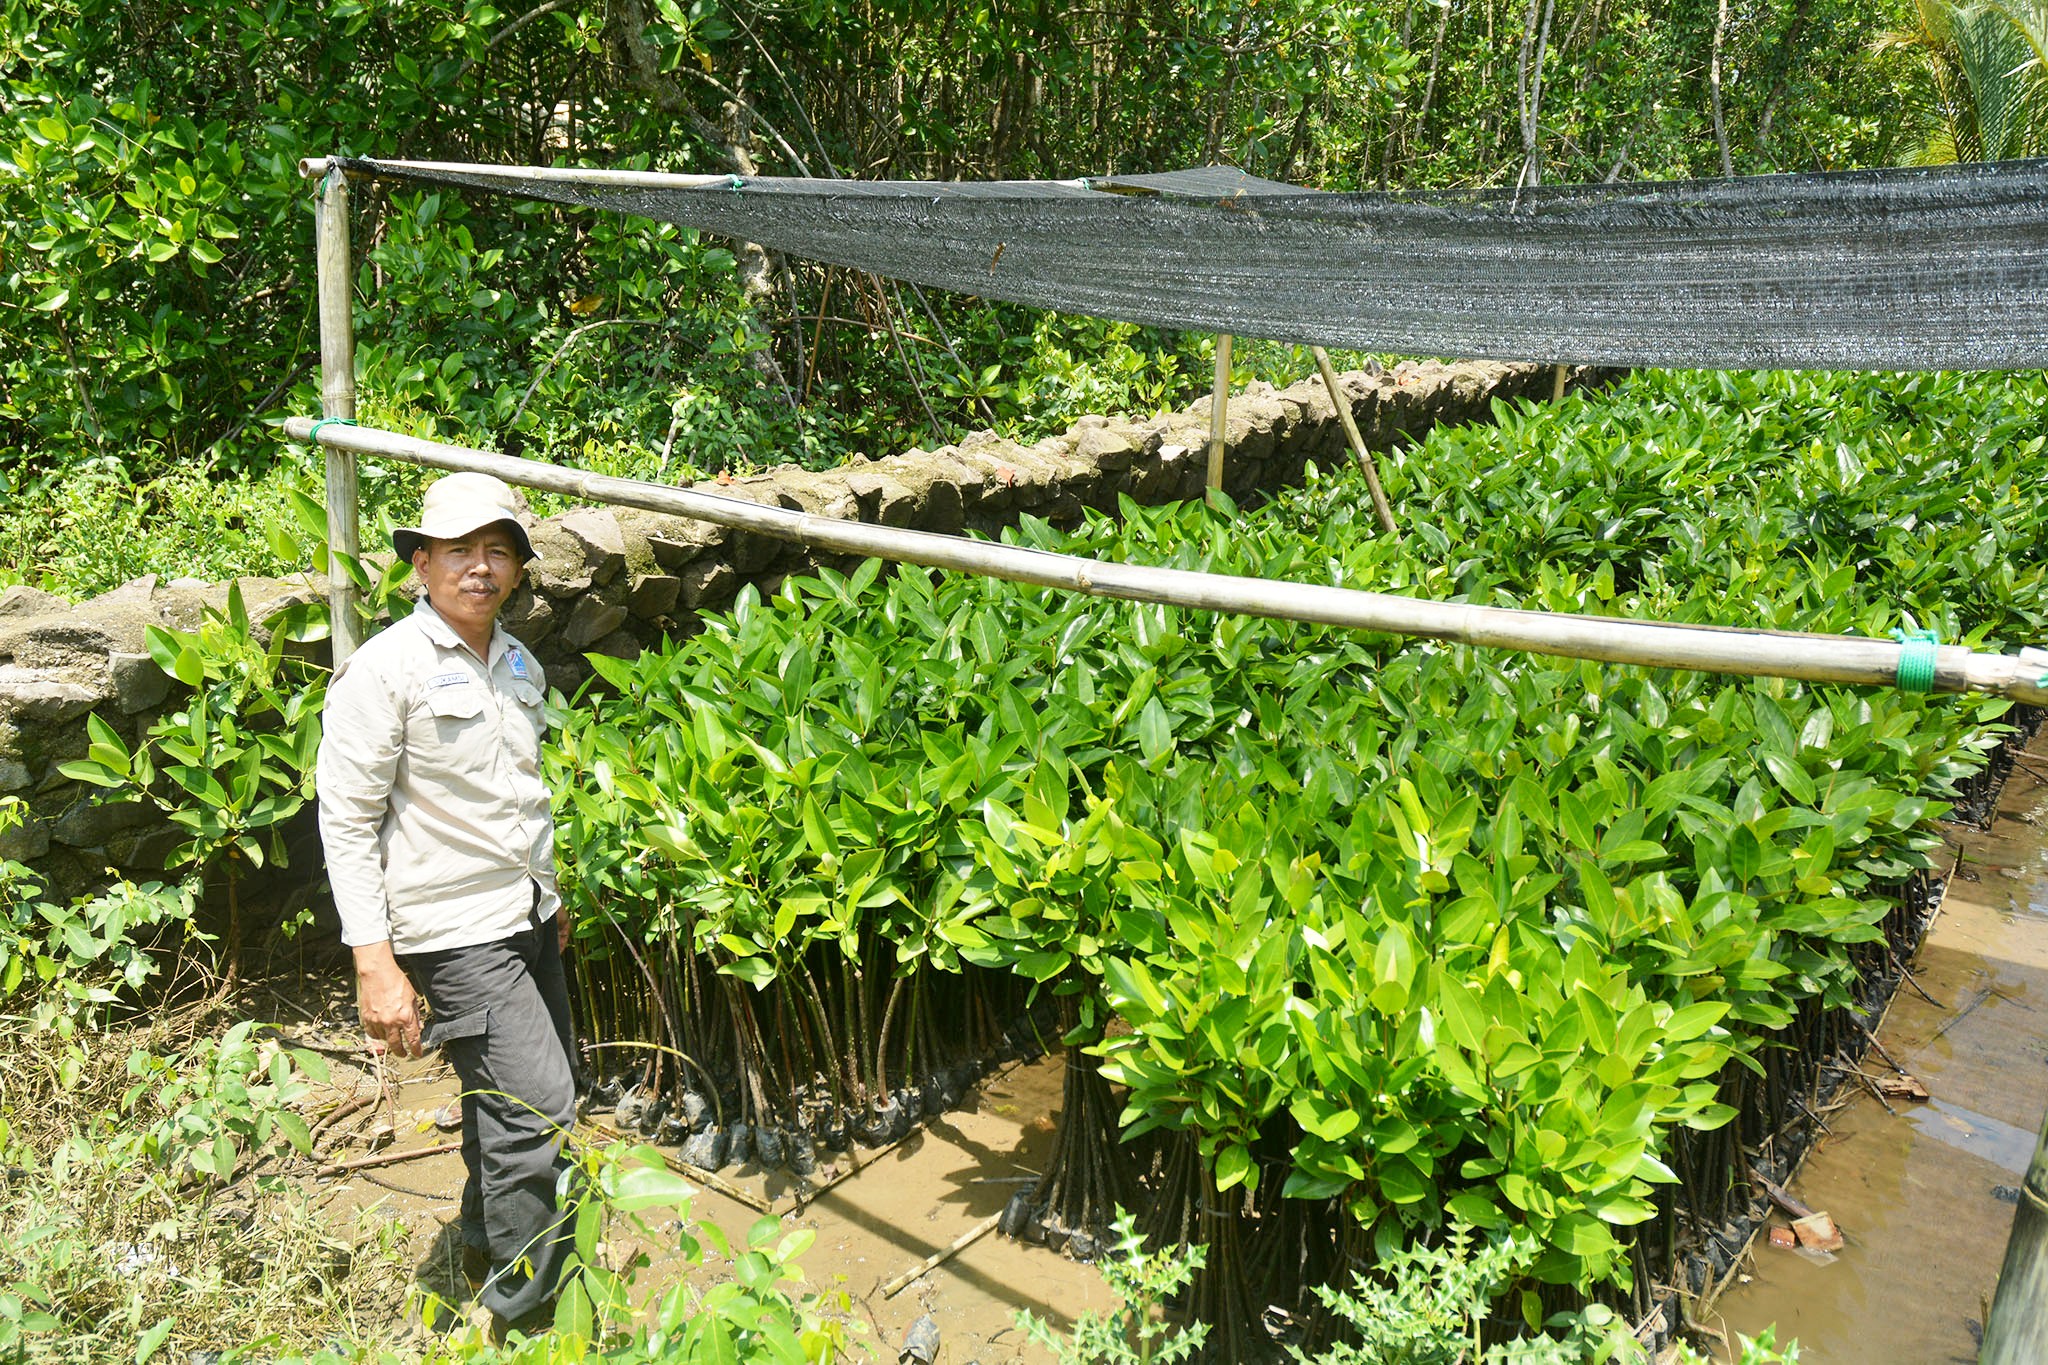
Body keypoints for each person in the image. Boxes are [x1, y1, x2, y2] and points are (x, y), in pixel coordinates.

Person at [317, 471, 576, 1335]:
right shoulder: (383, 671)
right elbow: (347, 822)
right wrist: (375, 963)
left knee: (506, 1108)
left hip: (526, 917)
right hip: (456, 933)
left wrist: (553, 891)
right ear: (420, 563)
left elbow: (524, 792)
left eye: (497, 550)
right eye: (460, 550)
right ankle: (527, 1321)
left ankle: (478, 1244)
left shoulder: (517, 660)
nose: (480, 567)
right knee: (539, 1108)